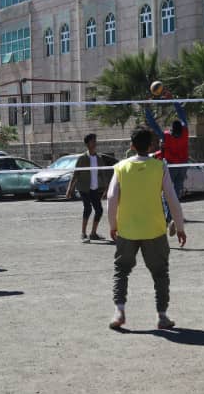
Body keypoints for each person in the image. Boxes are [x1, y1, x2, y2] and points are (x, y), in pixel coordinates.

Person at [107, 127, 187, 331]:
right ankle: (162, 316)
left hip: (127, 230)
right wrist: (179, 227)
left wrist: (113, 225)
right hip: (155, 230)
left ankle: (119, 311)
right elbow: (172, 198)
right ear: (151, 145)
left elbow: (111, 198)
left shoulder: (120, 167)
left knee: (121, 271)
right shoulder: (160, 167)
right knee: (160, 273)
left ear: (132, 146)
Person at [143, 90, 189, 235]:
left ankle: (170, 218)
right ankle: (173, 218)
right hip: (183, 165)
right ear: (181, 128)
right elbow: (182, 114)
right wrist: (173, 99)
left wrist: (147, 108)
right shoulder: (186, 132)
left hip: (170, 166)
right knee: (176, 193)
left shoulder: (166, 136)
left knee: (166, 194)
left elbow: (152, 124)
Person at [66, 133, 117, 243]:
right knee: (88, 208)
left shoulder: (99, 158)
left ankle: (93, 233)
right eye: (93, 141)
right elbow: (76, 174)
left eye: (95, 141)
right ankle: (83, 233)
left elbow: (103, 173)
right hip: (84, 188)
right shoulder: (82, 158)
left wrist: (106, 188)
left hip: (95, 189)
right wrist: (70, 189)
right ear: (87, 144)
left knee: (99, 210)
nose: (95, 143)